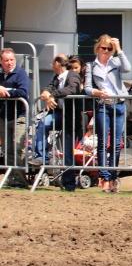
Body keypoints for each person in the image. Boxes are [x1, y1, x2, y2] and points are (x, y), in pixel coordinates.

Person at [85, 35, 131, 193]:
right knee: (103, 143)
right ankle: (104, 177)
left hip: (118, 104)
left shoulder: (116, 61)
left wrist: (119, 50)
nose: (106, 51)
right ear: (97, 48)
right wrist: (97, 92)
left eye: (109, 49)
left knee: (116, 144)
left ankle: (112, 177)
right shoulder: (91, 65)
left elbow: (127, 68)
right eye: (103, 48)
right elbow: (87, 88)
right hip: (102, 106)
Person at [29, 55, 83, 186]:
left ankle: (69, 183)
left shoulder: (72, 75)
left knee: (67, 149)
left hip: (71, 116)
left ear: (58, 64)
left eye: (53, 63)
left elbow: (72, 89)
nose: (51, 66)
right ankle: (41, 157)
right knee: (43, 123)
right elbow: (47, 89)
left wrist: (52, 95)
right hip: (58, 114)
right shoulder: (56, 78)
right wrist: (46, 95)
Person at [0, 48, 30, 187]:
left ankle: (21, 180)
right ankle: (13, 179)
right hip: (4, 116)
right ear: (1, 62)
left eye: (11, 60)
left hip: (19, 116)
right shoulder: (1, 75)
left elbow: (23, 91)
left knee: (19, 148)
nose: (9, 63)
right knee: (8, 150)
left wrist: (5, 91)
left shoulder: (21, 73)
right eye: (6, 60)